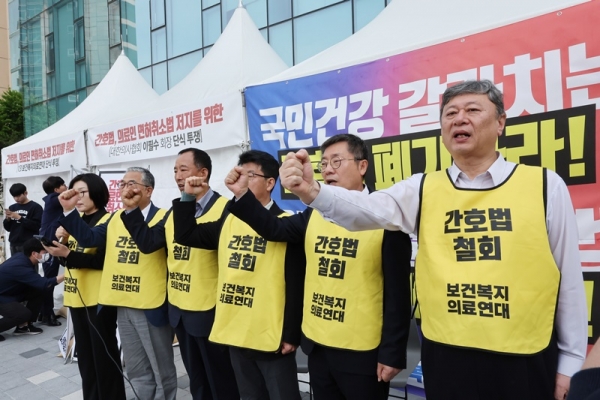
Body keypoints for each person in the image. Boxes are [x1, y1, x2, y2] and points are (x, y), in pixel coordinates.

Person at [278, 80, 588, 400]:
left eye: (472, 110)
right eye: (450, 113)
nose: (459, 119)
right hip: (447, 355)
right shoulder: (423, 189)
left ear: (500, 122)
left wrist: (571, 361)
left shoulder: (544, 186)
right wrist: (311, 191)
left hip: (523, 356)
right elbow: (366, 211)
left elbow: (568, 280)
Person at [225, 135, 412, 400]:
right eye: (324, 163)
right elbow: (274, 229)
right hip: (319, 346)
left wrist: (392, 354)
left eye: (337, 161)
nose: (328, 169)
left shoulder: (386, 219)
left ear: (362, 167)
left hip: (362, 351)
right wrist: (243, 195)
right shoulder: (314, 214)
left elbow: (398, 295)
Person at [172, 150, 304, 400]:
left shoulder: (287, 223)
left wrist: (290, 334)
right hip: (235, 332)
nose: (242, 180)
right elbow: (186, 235)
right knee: (249, 395)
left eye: (250, 175)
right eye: (240, 173)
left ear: (270, 183)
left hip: (271, 336)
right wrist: (188, 196)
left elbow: (295, 285)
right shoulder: (228, 221)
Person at [119, 148, 241, 400]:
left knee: (221, 380)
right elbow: (149, 243)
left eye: (183, 169)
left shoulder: (226, 209)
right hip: (180, 311)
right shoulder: (175, 212)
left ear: (203, 172)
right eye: (175, 170)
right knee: (197, 380)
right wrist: (131, 212)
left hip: (211, 312)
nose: (177, 175)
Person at [57, 167, 177, 400]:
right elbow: (90, 238)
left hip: (151, 306)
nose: (124, 188)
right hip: (122, 304)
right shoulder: (115, 219)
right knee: (136, 369)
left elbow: (148, 243)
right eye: (121, 184)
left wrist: (132, 211)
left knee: (161, 371)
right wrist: (69, 211)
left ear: (148, 190)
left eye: (131, 183)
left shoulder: (165, 217)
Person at [43, 173, 126, 400]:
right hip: (76, 298)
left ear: (97, 192)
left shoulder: (110, 220)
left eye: (82, 192)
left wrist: (69, 252)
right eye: (72, 192)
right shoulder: (75, 222)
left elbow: (101, 260)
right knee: (86, 360)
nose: (76, 197)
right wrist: (62, 246)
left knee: (104, 358)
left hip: (99, 299)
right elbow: (66, 260)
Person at [0, 238, 64, 341]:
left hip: (8, 292)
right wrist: (67, 275)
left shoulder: (23, 258)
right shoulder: (21, 266)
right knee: (22, 314)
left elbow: (39, 284)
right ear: (34, 253)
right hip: (2, 297)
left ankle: (23, 327)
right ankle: (22, 320)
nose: (47, 254)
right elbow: (45, 284)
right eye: (45, 252)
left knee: (38, 289)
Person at [39, 176, 67, 326]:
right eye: (63, 185)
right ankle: (47, 314)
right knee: (49, 280)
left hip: (51, 242)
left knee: (49, 278)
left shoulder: (52, 200)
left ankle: (43, 312)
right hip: (49, 244)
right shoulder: (53, 198)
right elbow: (69, 196)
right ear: (56, 189)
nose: (66, 186)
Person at [3, 183, 43, 255]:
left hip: (29, 243)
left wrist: (19, 217)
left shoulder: (36, 207)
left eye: (18, 196)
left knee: (29, 265)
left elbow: (37, 226)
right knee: (16, 265)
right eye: (14, 196)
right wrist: (7, 220)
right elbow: (8, 228)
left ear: (25, 193)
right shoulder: (12, 207)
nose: (16, 199)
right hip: (14, 243)